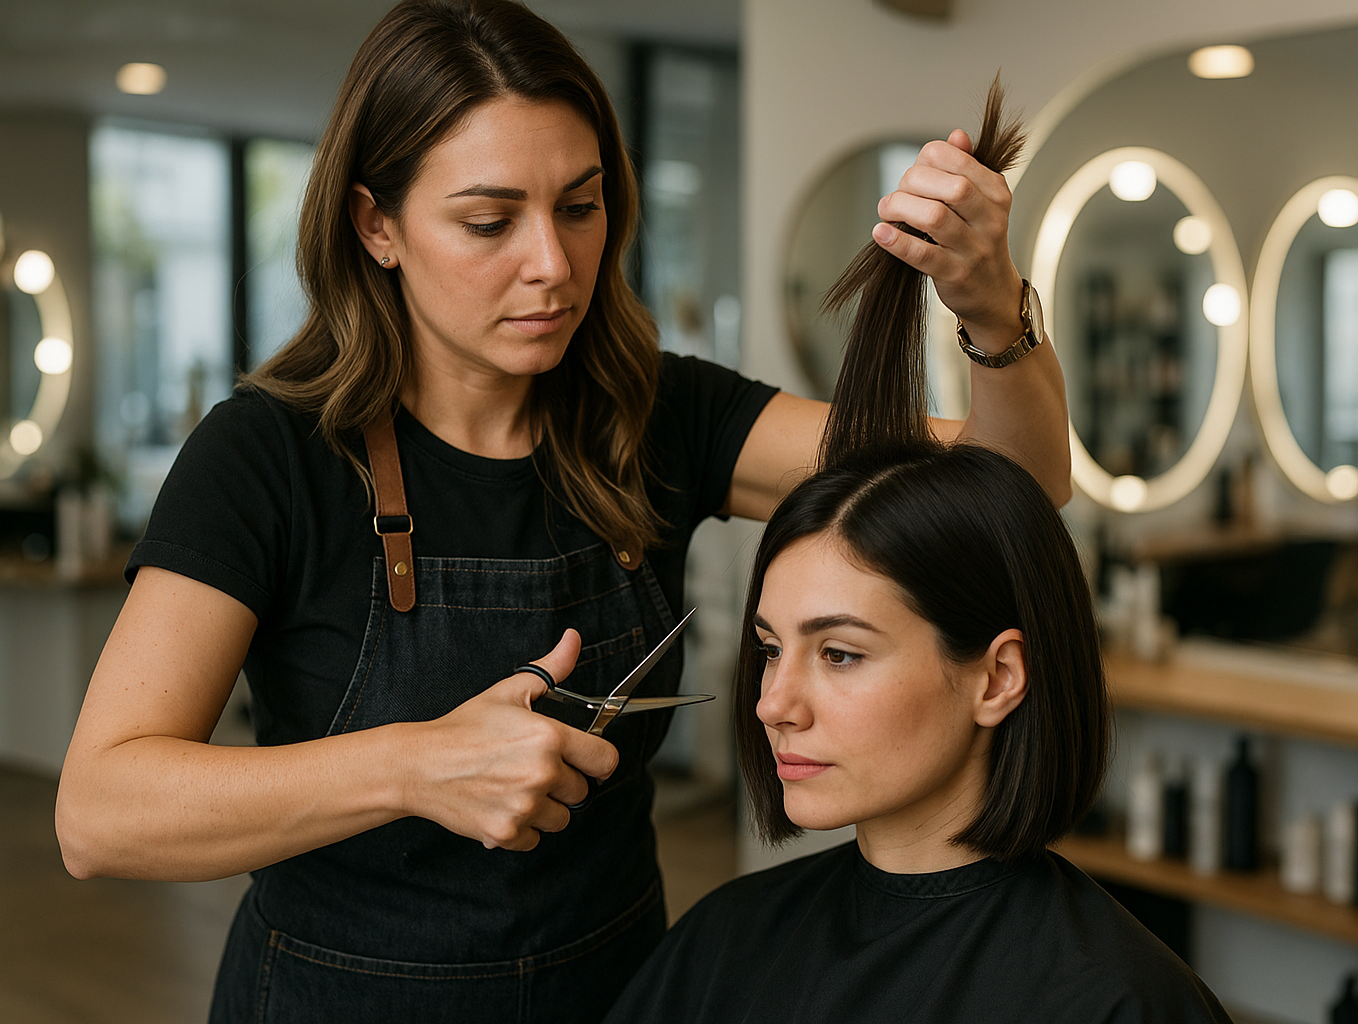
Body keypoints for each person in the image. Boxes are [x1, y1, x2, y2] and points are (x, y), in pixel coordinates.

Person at [53, 0, 1070, 1021]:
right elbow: (101, 814)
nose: (552, 262)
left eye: (579, 207)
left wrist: (992, 308)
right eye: (489, 222)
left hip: (616, 994)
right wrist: (414, 764)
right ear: (376, 226)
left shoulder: (660, 416)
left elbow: (1011, 487)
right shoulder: (268, 456)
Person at [602, 441, 1234, 1023]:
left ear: (997, 679)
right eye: (771, 649)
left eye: (839, 654)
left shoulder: (1118, 1003)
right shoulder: (726, 940)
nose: (772, 704)